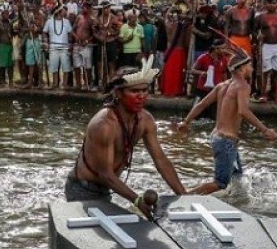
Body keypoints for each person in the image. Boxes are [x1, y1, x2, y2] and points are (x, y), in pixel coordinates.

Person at [65, 57, 188, 220]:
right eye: (135, 91)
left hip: (106, 187)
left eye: (145, 91)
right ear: (118, 93)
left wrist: (185, 197)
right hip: (83, 189)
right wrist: (137, 200)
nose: (141, 96)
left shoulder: (146, 120)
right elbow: (105, 174)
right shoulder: (104, 124)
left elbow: (161, 161)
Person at [177, 51, 277, 195]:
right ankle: (185, 196)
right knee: (221, 183)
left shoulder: (222, 86)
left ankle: (237, 202)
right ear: (242, 69)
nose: (252, 69)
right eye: (250, 66)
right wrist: (265, 130)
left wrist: (185, 121)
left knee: (237, 177)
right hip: (226, 141)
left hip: (217, 136)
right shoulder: (243, 86)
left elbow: (201, 104)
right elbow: (243, 111)